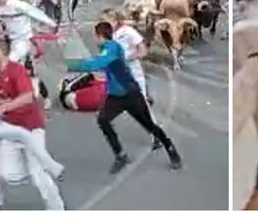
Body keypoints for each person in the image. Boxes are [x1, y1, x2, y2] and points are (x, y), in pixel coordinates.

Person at [66, 22, 182, 174]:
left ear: (100, 36)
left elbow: (99, 63)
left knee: (149, 125)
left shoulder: (112, 47)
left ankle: (171, 150)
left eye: (95, 36)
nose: (94, 39)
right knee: (103, 119)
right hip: (115, 96)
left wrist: (72, 64)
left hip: (130, 93)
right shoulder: (105, 48)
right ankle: (120, 155)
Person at [0, 39, 65, 210]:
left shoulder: (16, 70)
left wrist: (5, 107)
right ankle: (40, 167)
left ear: (0, 51)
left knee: (39, 176)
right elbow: (5, 98)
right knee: (7, 174)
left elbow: (27, 97)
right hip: (10, 127)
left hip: (31, 126)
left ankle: (57, 208)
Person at [100, 9, 161, 150]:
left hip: (133, 74)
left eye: (106, 21)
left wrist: (127, 58)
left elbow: (143, 50)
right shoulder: (109, 36)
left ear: (115, 20)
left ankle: (156, 135)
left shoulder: (128, 32)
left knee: (142, 104)